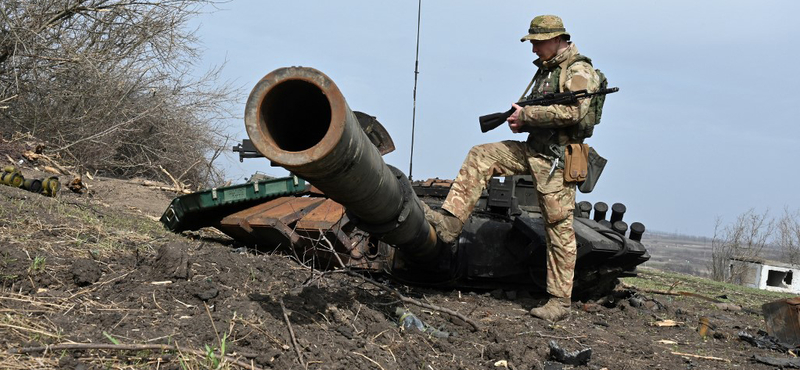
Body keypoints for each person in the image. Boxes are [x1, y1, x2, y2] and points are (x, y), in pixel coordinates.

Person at [423, 15, 601, 322]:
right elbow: (541, 113)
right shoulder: (547, 71)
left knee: (558, 228)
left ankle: (559, 301)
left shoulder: (578, 69)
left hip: (556, 160)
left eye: (536, 42)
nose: (533, 49)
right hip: (533, 151)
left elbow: (575, 110)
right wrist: (521, 120)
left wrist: (529, 115)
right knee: (482, 155)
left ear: (556, 39)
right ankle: (451, 225)